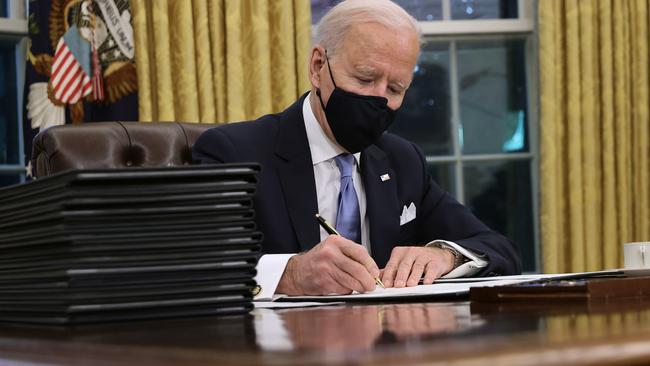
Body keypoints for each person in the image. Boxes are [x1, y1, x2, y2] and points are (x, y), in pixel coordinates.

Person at [193, 0, 521, 297]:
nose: (379, 99)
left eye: (395, 88)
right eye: (365, 78)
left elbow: (498, 248)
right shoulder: (235, 152)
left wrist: (443, 255)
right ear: (318, 66)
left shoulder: (402, 160)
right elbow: (196, 266)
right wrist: (290, 274)